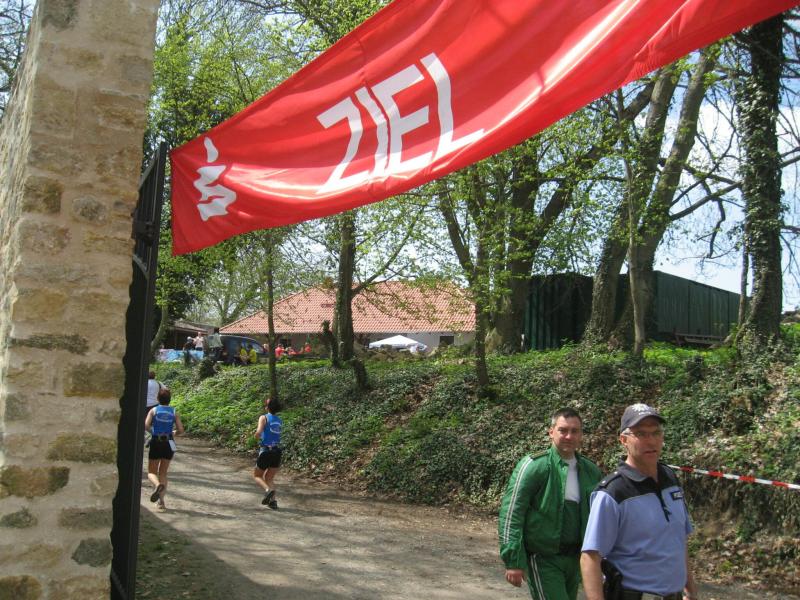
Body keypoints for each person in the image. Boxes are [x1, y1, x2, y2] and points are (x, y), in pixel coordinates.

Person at [580, 404, 698, 600]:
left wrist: (691, 589)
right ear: (624, 440)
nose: (650, 440)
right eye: (641, 434)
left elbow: (678, 540)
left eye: (656, 433)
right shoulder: (613, 492)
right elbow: (590, 558)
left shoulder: (670, 479)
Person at [498, 407, 602, 600]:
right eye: (563, 430)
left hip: (576, 560)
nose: (569, 436)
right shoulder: (534, 466)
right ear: (551, 432)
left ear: (581, 435)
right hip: (544, 559)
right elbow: (512, 513)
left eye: (574, 431)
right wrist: (513, 560)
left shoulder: (591, 471)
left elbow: (599, 517)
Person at [144, 387, 184, 512]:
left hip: (156, 441)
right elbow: (181, 430)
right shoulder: (174, 412)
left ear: (157, 398)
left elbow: (146, 425)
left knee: (151, 472)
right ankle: (161, 502)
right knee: (163, 473)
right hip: (169, 442)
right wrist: (173, 433)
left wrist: (153, 431)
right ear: (169, 399)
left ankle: (157, 485)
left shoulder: (154, 410)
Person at [253, 396, 283, 509]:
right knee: (269, 478)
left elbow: (259, 432)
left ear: (267, 407)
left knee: (257, 476)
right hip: (277, 452)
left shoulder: (263, 417)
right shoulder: (279, 420)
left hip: (266, 451)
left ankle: (268, 490)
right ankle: (273, 502)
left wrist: (256, 436)